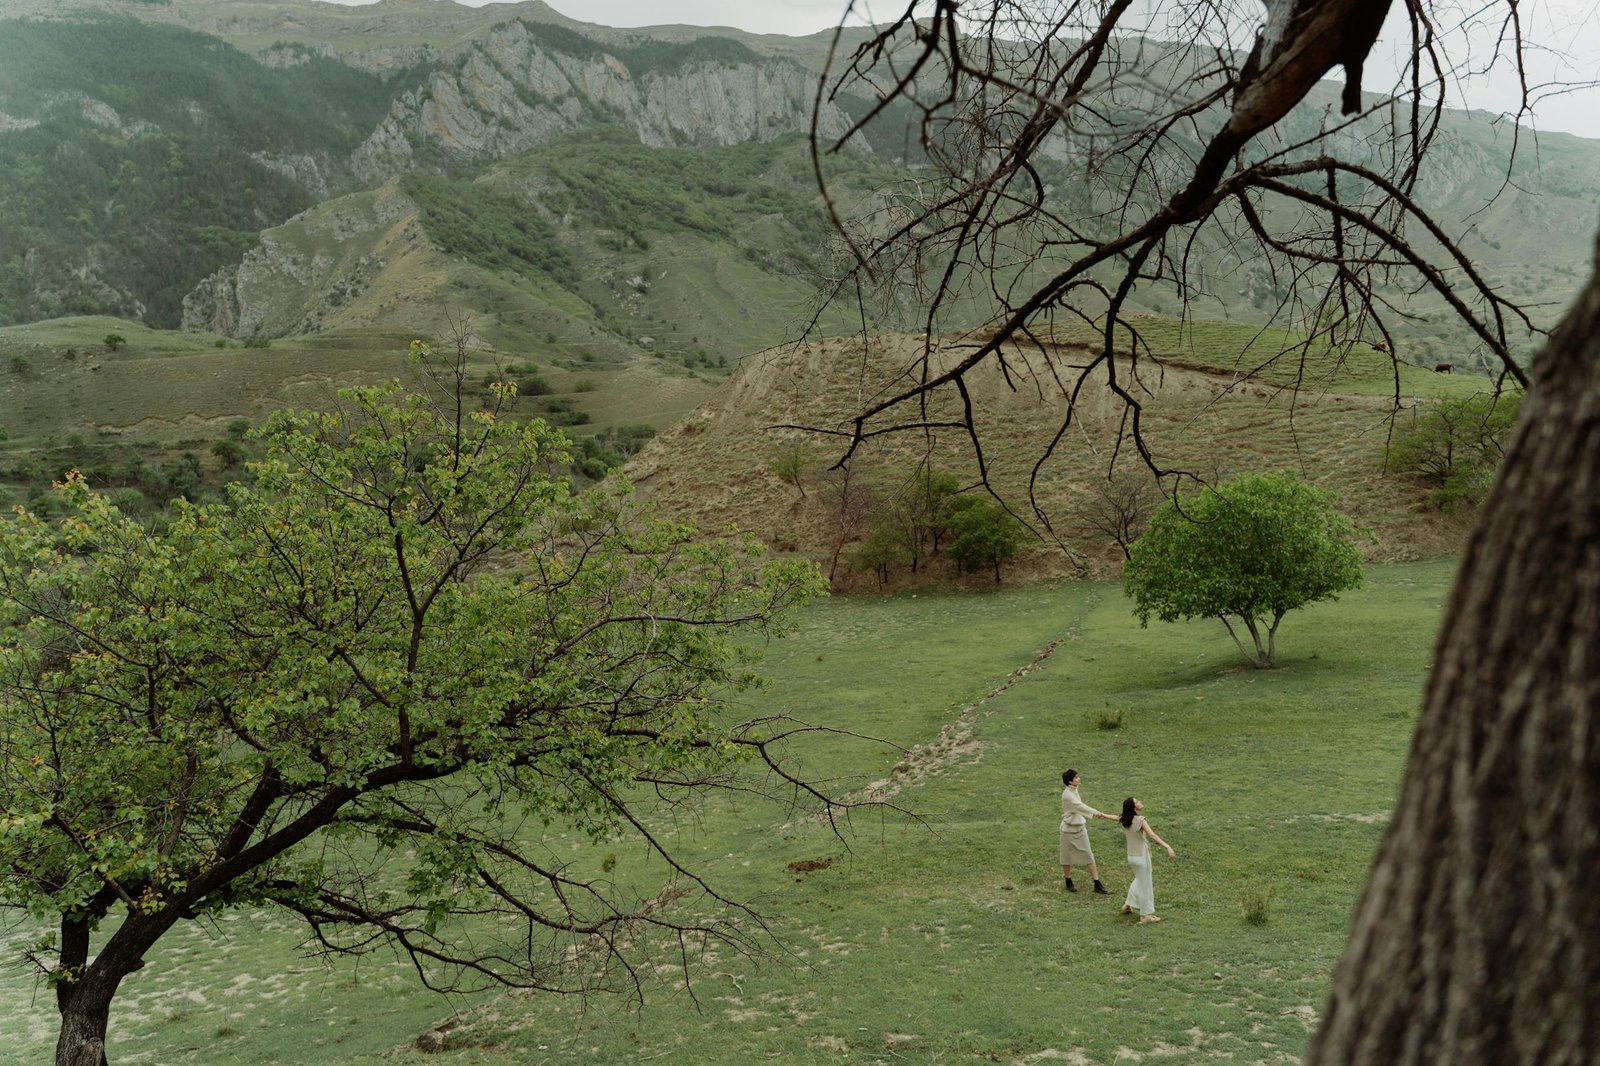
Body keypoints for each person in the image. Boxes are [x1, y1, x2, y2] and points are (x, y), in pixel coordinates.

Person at [1119, 796, 1176, 923]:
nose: (1140, 802)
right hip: (1141, 857)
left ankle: (1128, 905)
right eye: (1137, 802)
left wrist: (1102, 815)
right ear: (1134, 808)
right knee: (1145, 885)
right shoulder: (1140, 820)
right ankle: (1145, 916)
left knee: (1139, 880)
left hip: (1131, 857)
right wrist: (1167, 846)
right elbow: (1152, 835)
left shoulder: (1124, 819)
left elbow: (1114, 817)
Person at [1059, 769, 1114, 893]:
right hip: (1068, 830)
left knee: (1088, 854)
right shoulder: (1067, 795)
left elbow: (1080, 806)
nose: (1079, 779)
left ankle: (1097, 883)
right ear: (1070, 781)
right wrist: (1096, 813)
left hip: (1080, 828)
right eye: (1076, 777)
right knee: (1066, 856)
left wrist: (1095, 813)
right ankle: (1068, 880)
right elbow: (1080, 806)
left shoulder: (1074, 789)